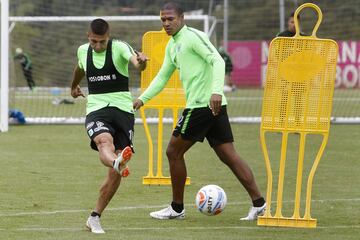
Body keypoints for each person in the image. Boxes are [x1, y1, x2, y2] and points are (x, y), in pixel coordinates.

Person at [133, 2, 265, 221]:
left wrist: (215, 91)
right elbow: (163, 76)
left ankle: (176, 209)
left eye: (170, 19)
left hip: (202, 105)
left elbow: (217, 61)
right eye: (163, 20)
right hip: (211, 106)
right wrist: (143, 98)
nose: (166, 23)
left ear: (182, 18)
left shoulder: (193, 37)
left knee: (173, 152)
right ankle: (259, 204)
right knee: (228, 155)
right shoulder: (172, 45)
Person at [70, 18, 148, 234]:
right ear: (88, 36)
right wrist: (73, 86)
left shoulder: (120, 48)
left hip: (123, 111)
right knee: (104, 141)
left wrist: (142, 61)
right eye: (94, 41)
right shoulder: (83, 51)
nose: (97, 46)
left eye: (101, 42)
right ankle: (117, 161)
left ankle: (94, 217)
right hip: (96, 109)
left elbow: (137, 63)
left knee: (114, 176)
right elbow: (80, 68)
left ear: (108, 37)